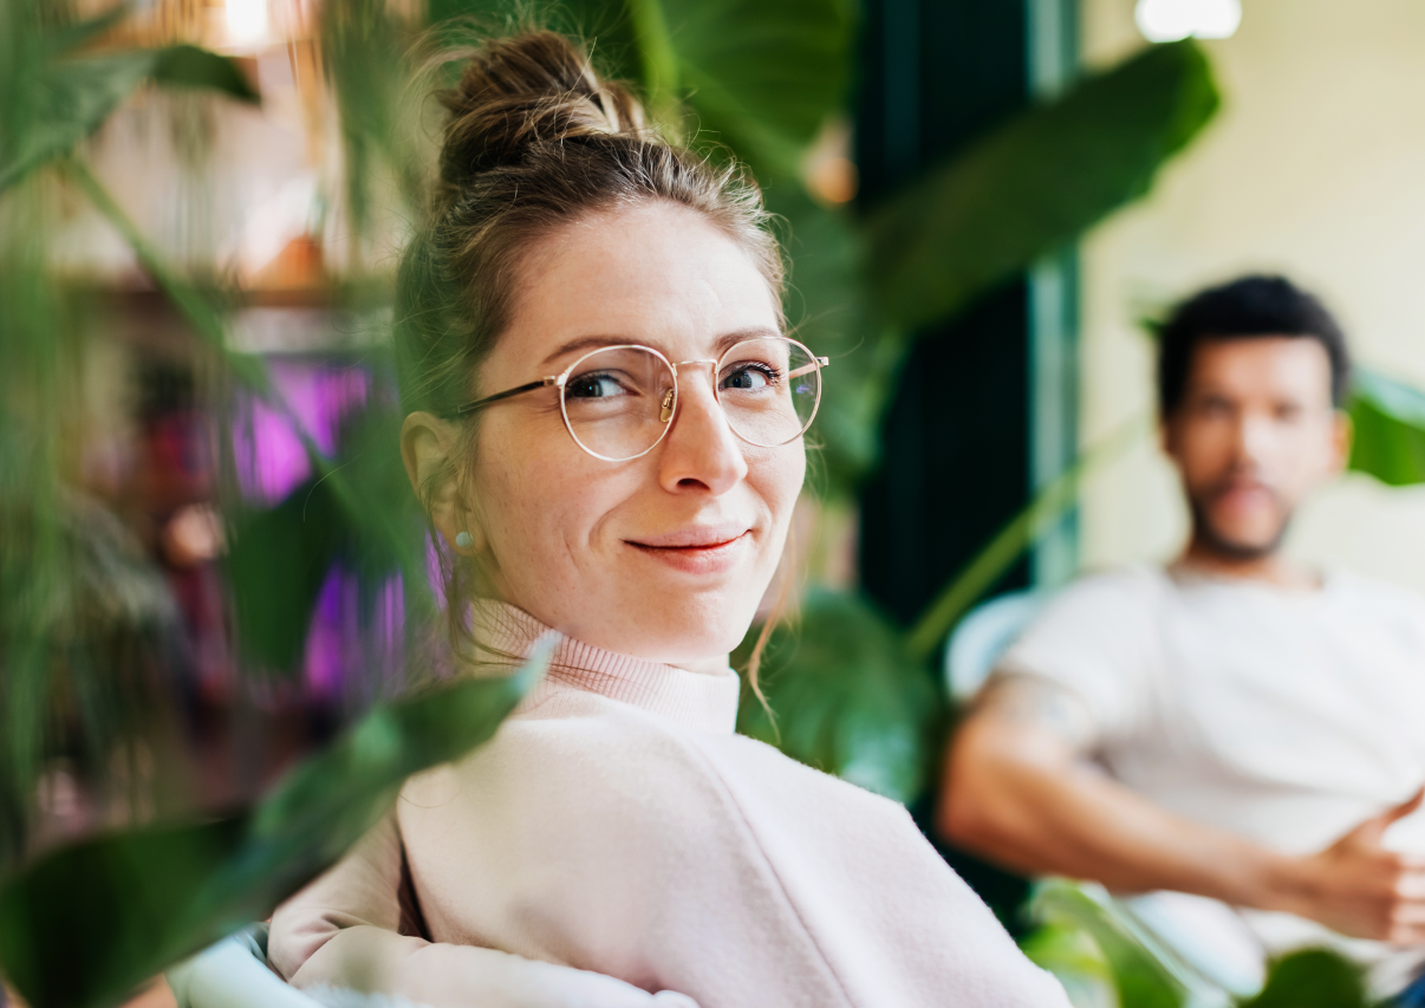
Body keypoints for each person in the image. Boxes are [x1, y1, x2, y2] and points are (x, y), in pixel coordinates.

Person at [267, 29, 1069, 1008]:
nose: (715, 458)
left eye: (747, 375)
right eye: (602, 384)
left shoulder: (424, 795)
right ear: (445, 478)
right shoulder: (727, 832)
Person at [941, 274, 1425, 997]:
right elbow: (987, 782)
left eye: (1284, 413)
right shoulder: (1124, 615)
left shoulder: (1396, 619)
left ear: (1332, 444)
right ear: (1166, 429)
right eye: (1214, 408)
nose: (1248, 446)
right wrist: (1302, 886)